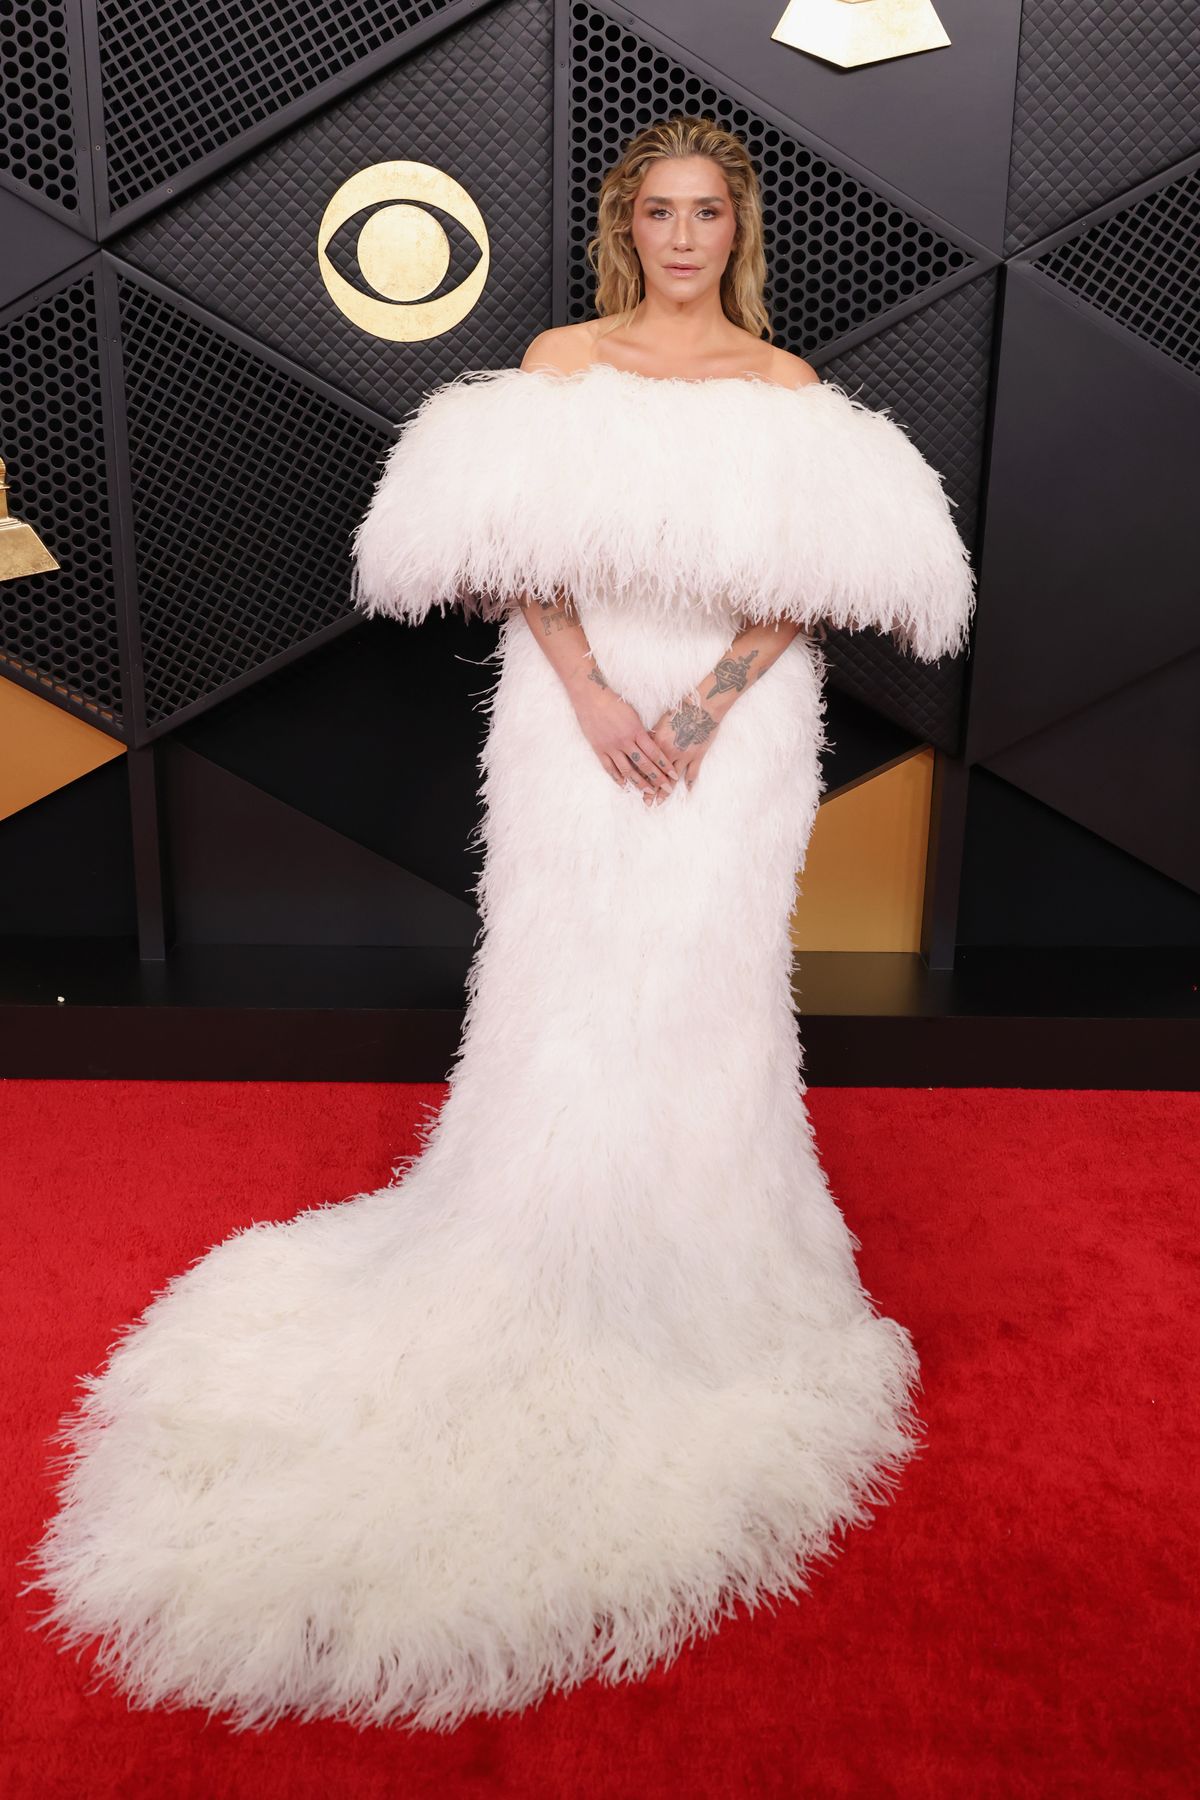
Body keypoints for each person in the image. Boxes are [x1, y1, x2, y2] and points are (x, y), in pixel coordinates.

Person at [23, 116, 975, 1733]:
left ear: (740, 230)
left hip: (736, 733)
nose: (686, 236)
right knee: (564, 982)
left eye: (710, 213)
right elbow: (521, 556)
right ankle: (540, 1242)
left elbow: (801, 585)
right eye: (662, 212)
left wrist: (710, 708)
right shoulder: (558, 359)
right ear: (631, 226)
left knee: (707, 990)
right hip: (571, 711)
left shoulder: (790, 389)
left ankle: (712, 1264)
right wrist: (603, 695)